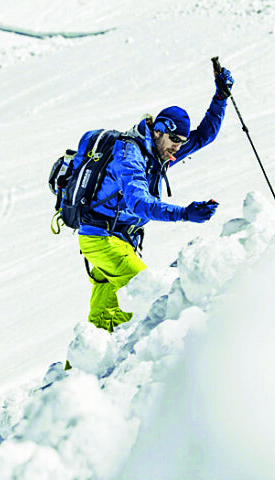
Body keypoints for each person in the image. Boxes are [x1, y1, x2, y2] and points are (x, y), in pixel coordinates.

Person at [75, 67, 234, 332]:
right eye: (174, 139)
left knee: (102, 325)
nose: (178, 147)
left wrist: (220, 97)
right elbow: (139, 203)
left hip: (119, 240)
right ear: (159, 130)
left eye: (182, 142)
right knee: (153, 299)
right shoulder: (130, 154)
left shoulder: (160, 154)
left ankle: (79, 371)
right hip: (103, 240)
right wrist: (185, 213)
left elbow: (204, 136)